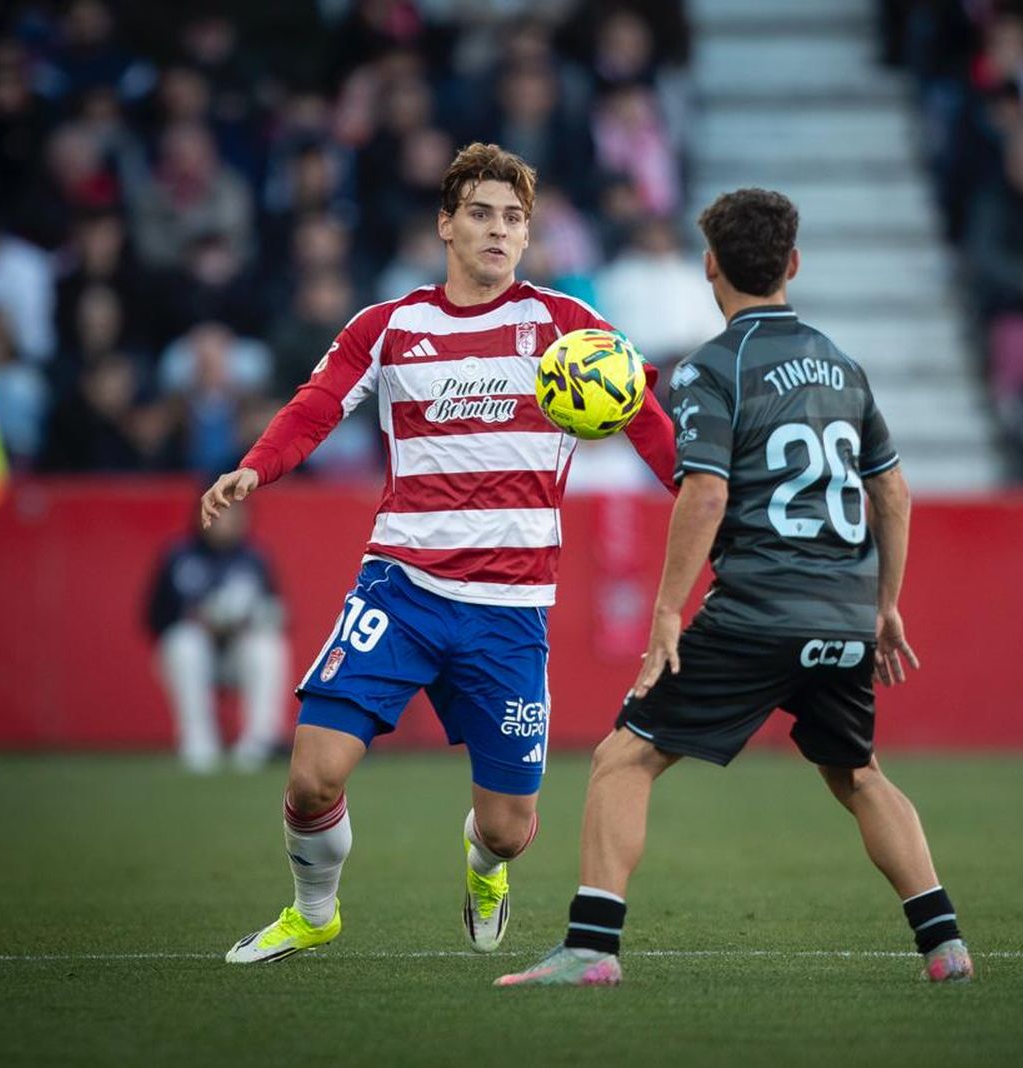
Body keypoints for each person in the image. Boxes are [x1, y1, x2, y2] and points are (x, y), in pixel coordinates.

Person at [202, 143, 678, 964]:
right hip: (401, 590)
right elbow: (314, 408)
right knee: (312, 774)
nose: (500, 231)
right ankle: (314, 911)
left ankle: (485, 869)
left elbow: (648, 425)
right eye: (484, 214)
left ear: (529, 236)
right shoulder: (388, 328)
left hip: (511, 612)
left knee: (508, 827)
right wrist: (256, 467)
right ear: (446, 225)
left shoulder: (570, 330)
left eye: (515, 219)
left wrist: (712, 504)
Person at [496, 188, 972, 987]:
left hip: (758, 609)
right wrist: (884, 606)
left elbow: (706, 492)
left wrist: (666, 615)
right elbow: (893, 493)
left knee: (623, 757)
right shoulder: (843, 366)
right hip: (845, 612)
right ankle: (945, 944)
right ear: (792, 264)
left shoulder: (714, 368)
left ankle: (591, 948)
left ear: (710, 267)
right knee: (857, 772)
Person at [146, 501, 288, 773]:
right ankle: (198, 742)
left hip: (237, 653)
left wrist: (250, 617)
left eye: (235, 514)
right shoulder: (179, 556)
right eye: (220, 513)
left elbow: (277, 610)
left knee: (267, 646)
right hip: (192, 655)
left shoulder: (254, 558)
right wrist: (197, 618)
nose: (227, 521)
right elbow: (154, 618)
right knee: (185, 643)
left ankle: (259, 742)